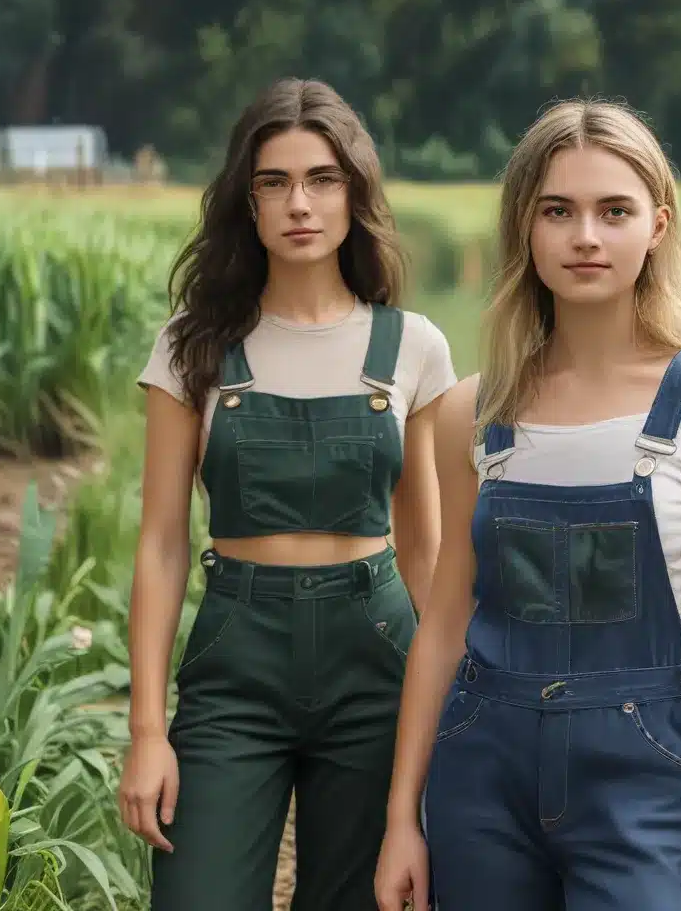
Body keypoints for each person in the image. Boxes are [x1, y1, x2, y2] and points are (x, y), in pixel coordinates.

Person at [374, 98, 681, 911]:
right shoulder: (472, 413)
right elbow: (448, 620)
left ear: (657, 226)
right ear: (525, 227)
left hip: (643, 776)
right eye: (558, 210)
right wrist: (400, 819)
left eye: (614, 211)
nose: (585, 236)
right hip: (479, 774)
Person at [117, 77, 458, 911]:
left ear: (355, 194)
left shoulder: (411, 345)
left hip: (377, 653)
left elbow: (428, 553)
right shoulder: (194, 346)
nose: (299, 203)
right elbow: (162, 544)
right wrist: (146, 732)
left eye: (322, 180)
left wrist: (449, 716)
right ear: (247, 201)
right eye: (274, 182)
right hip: (237, 656)